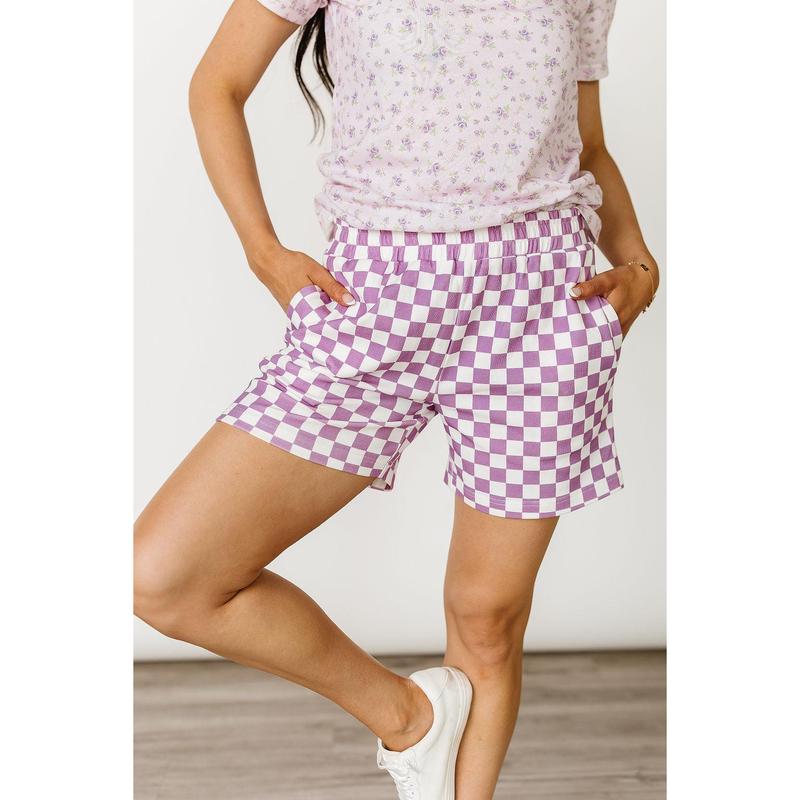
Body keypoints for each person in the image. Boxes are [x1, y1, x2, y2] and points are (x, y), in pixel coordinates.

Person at [134, 0, 659, 797]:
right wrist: (264, 253)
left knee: (487, 620)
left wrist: (638, 262)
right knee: (165, 575)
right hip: (375, 299)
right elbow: (217, 85)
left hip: (544, 306)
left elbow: (586, 144)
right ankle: (411, 718)